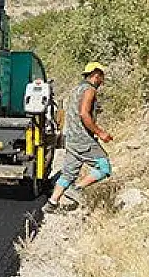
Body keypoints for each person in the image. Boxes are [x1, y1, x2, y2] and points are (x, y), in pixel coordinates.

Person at [43, 62, 114, 213]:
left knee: (68, 173)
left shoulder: (77, 89)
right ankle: (77, 188)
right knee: (104, 167)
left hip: (71, 139)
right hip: (83, 140)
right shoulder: (89, 90)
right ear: (96, 75)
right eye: (102, 77)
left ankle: (52, 203)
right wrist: (100, 132)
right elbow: (83, 114)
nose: (102, 80)